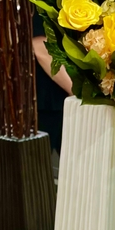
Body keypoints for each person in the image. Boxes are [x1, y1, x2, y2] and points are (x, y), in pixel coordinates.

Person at [31, 13, 72, 159]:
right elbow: (41, 50)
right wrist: (75, 89)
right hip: (46, 100)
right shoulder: (38, 5)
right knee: (36, 165)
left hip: (62, 99)